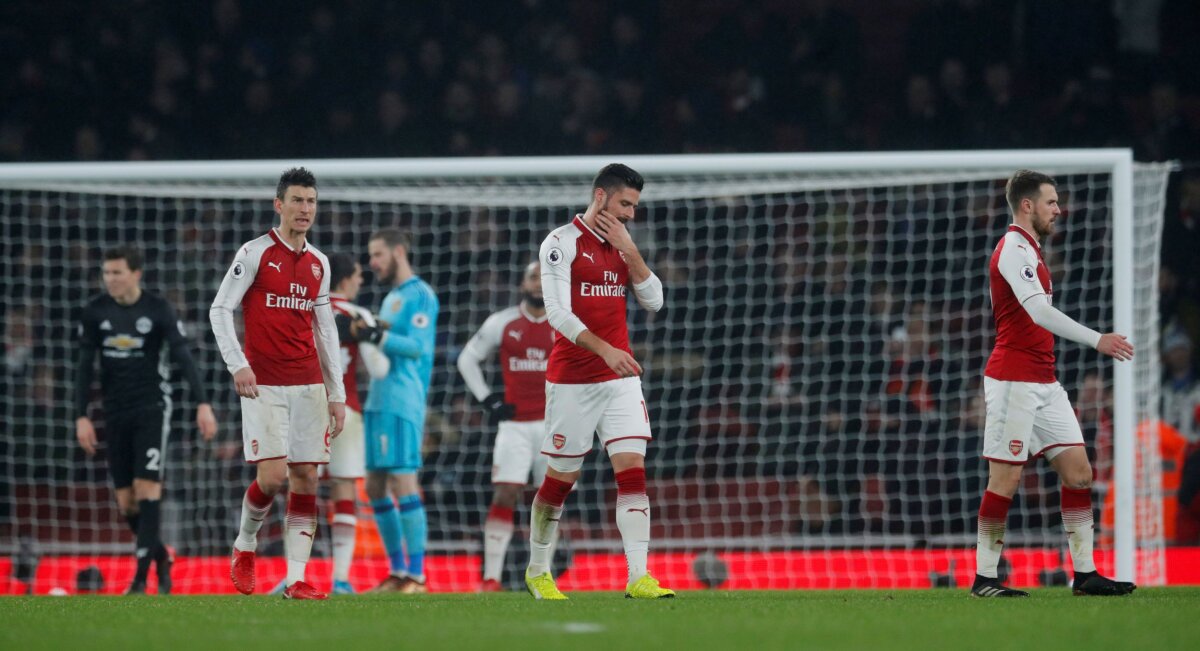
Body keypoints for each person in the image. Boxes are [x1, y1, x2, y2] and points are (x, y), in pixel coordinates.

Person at [972, 169, 1136, 598]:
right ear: (1027, 205)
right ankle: (985, 579)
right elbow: (1039, 313)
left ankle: (1084, 575)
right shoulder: (1012, 248)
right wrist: (1097, 339)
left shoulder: (1033, 250)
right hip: (1013, 380)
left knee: (1079, 474)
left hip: (1044, 379)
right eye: (1051, 202)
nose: (1059, 210)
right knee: (1004, 481)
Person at [524, 163, 673, 600]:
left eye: (634, 206)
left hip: (620, 381)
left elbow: (656, 301)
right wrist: (605, 349)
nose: (630, 213)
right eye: (625, 203)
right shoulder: (559, 243)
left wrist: (631, 250)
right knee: (560, 481)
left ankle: (638, 576)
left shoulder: (623, 246)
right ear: (600, 196)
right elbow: (557, 314)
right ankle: (537, 570)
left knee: (632, 473)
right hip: (573, 381)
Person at [209, 167, 346, 600]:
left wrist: (336, 394)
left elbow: (326, 332)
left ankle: (296, 579)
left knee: (305, 477)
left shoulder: (320, 263)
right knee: (272, 477)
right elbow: (219, 310)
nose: (305, 209)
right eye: (298, 201)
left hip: (309, 385)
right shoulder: (253, 253)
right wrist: (238, 365)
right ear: (279, 205)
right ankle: (244, 545)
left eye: (311, 201)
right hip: (264, 384)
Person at [75, 246, 218, 595]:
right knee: (126, 503)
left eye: (117, 273)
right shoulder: (95, 312)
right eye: (106, 273)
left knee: (147, 488)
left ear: (136, 274)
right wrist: (80, 415)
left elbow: (183, 357)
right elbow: (83, 368)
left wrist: (203, 403)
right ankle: (160, 557)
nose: (110, 279)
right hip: (114, 411)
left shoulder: (157, 309)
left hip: (152, 407)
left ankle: (140, 579)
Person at [268, 253, 389, 595]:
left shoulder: (302, 308)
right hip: (346, 410)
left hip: (305, 408)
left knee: (301, 487)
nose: (361, 281)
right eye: (358, 276)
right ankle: (342, 580)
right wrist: (372, 335)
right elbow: (379, 370)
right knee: (344, 491)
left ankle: (293, 576)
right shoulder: (358, 315)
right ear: (346, 279)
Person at [456, 261, 556, 591]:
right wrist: (488, 401)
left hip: (553, 426)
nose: (539, 283)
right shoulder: (502, 322)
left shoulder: (565, 324)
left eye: (544, 277)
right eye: (532, 277)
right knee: (505, 492)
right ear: (522, 284)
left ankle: (543, 575)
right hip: (513, 426)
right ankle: (491, 579)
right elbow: (466, 359)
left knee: (551, 500)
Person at [357, 228, 439, 593]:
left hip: (404, 399)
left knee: (404, 481)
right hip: (379, 399)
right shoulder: (392, 297)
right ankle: (397, 571)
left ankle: (416, 576)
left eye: (377, 254)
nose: (372, 262)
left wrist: (374, 335)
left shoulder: (420, 295)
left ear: (399, 251)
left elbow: (417, 348)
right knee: (375, 486)